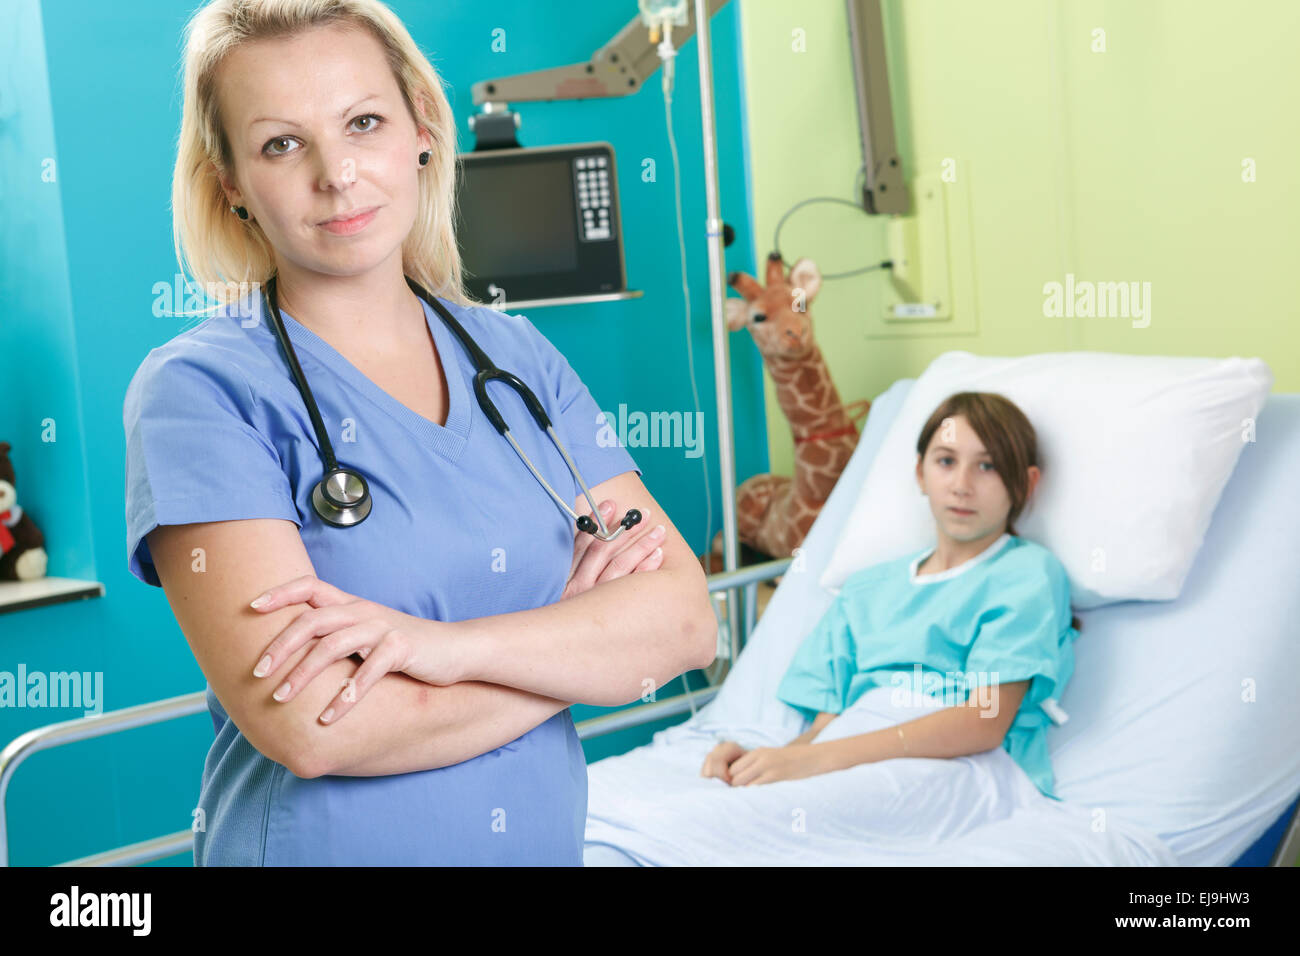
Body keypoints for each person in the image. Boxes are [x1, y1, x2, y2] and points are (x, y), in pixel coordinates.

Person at [122, 0, 715, 866]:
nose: (338, 173)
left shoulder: (513, 357)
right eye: (282, 144)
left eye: (364, 122)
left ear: (422, 131)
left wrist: (439, 652)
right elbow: (319, 727)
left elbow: (688, 626)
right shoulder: (201, 391)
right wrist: (579, 646)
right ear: (231, 185)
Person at [701, 391, 1079, 802]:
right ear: (920, 473)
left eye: (987, 466)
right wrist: (763, 762)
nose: (961, 486)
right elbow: (828, 726)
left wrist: (817, 761)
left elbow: (983, 721)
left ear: (1026, 483)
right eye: (946, 461)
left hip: (961, 769)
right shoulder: (866, 589)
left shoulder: (1024, 574)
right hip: (849, 756)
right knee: (736, 807)